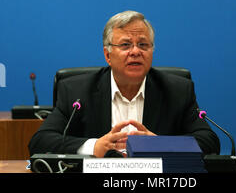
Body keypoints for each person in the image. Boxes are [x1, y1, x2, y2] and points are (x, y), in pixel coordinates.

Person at [28, 10, 220, 157]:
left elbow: (209, 142)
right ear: (107, 55)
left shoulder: (177, 90)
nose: (135, 51)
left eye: (143, 45)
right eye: (126, 45)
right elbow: (40, 141)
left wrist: (160, 144)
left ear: (152, 51)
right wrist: (94, 146)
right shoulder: (76, 91)